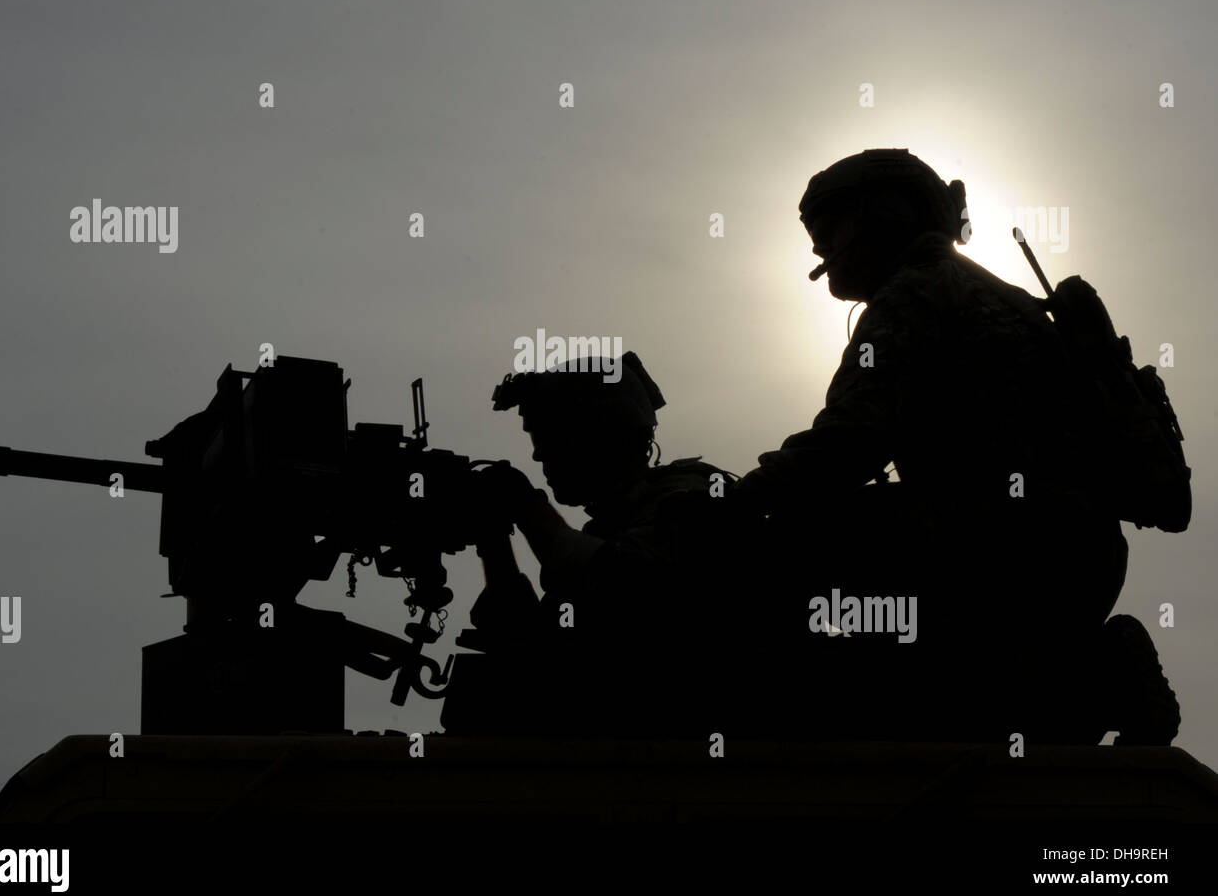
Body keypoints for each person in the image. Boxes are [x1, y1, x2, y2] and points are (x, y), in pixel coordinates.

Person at [733, 148, 1177, 744]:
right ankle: (1093, 674)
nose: (820, 250)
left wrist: (739, 502)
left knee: (793, 542)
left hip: (991, 546)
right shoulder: (1004, 297)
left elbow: (849, 443)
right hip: (1080, 554)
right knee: (985, 708)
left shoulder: (915, 296)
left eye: (830, 229)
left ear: (885, 216)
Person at [440, 351, 737, 737]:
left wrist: (528, 509)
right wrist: (493, 541)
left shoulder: (693, 501)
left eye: (548, 435)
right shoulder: (609, 530)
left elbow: (618, 587)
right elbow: (529, 650)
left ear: (602, 433)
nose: (537, 453)